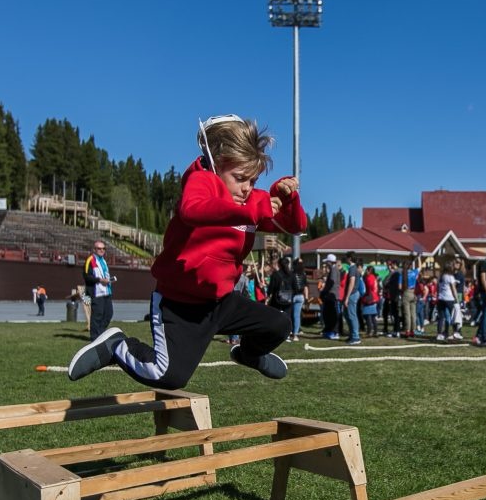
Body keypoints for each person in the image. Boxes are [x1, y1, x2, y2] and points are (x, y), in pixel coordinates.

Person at [68, 114, 307, 388]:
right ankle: (116, 346)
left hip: (220, 302)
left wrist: (288, 199)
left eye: (253, 181)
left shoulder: (250, 198)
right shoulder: (202, 181)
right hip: (180, 303)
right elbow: (192, 210)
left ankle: (249, 353)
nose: (247, 189)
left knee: (280, 324)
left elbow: (296, 226)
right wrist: (253, 209)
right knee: (168, 376)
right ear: (216, 164)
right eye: (240, 178)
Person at [83, 240, 115, 340]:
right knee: (97, 315)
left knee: (109, 314)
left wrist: (108, 280)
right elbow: (86, 276)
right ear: (94, 249)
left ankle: (100, 334)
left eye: (103, 248)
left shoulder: (104, 261)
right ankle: (94, 337)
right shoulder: (90, 260)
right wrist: (100, 280)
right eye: (99, 248)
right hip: (97, 293)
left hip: (107, 291)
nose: (101, 250)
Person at [471, 246, 486, 347]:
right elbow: (483, 279)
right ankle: (483, 338)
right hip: (484, 292)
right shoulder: (483, 264)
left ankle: (478, 335)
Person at [343, 252, 363, 345]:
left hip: (352, 294)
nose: (345, 259)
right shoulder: (354, 268)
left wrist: (347, 297)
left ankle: (355, 337)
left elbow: (352, 282)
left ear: (350, 258)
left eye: (346, 257)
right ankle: (352, 335)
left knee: (352, 315)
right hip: (353, 294)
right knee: (347, 315)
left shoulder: (352, 268)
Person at [319, 254, 341, 339]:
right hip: (331, 295)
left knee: (332, 315)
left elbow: (331, 282)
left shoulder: (334, 270)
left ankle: (334, 332)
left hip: (332, 295)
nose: (326, 264)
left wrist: (324, 291)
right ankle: (329, 330)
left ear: (330, 262)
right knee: (328, 314)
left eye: (327, 262)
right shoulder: (334, 269)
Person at [290, 257, 308, 342]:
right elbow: (305, 287)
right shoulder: (303, 274)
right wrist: (307, 298)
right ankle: (296, 333)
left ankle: (293, 332)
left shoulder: (292, 274)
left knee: (292, 315)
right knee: (297, 316)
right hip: (301, 296)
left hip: (293, 296)